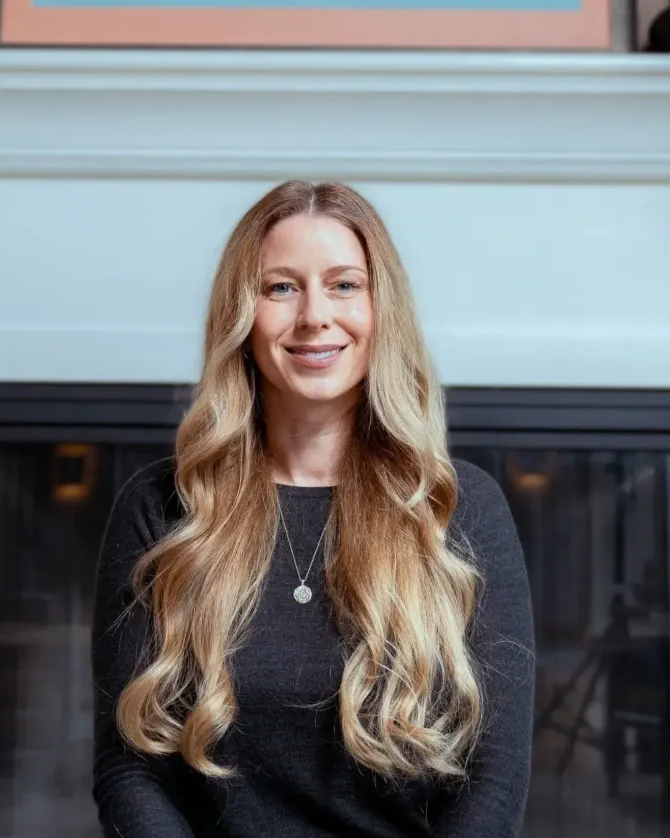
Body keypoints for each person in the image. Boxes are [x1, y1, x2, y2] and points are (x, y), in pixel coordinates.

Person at [91, 180, 535, 837]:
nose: (314, 316)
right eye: (281, 287)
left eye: (344, 285)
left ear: (382, 309)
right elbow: (129, 769)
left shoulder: (460, 508)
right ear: (242, 316)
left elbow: (495, 781)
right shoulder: (161, 509)